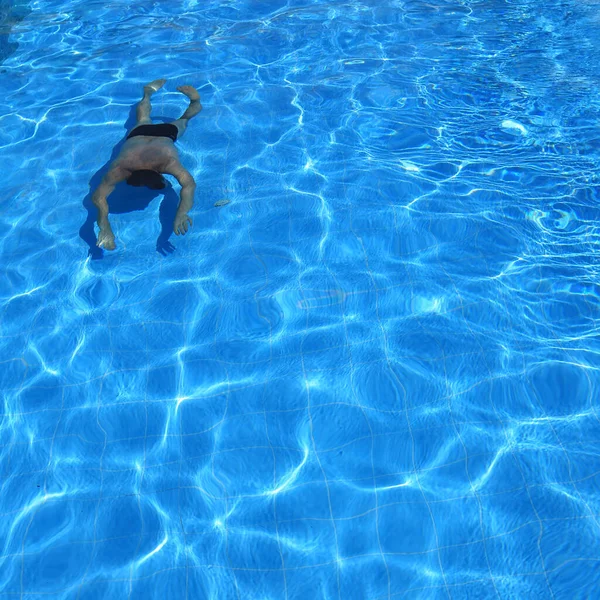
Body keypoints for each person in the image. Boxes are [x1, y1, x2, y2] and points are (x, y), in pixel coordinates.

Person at [92, 79, 202, 250]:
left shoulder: (161, 164)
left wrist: (182, 213)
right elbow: (188, 185)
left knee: (182, 120)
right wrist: (181, 213)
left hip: (164, 136)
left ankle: (191, 101)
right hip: (140, 135)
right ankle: (149, 93)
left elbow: (98, 198)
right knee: (144, 117)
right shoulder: (123, 168)